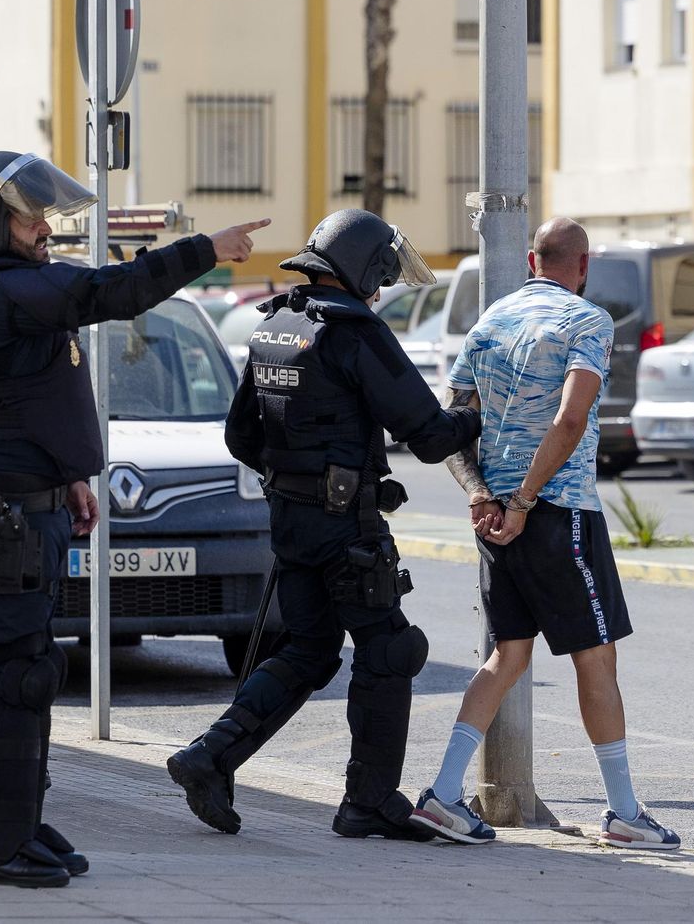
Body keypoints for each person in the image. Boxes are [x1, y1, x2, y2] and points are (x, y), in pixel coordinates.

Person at [0, 150, 269, 887]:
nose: (44, 228)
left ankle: (17, 821)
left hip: (27, 506)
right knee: (12, 675)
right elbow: (108, 292)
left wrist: (69, 476)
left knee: (27, 668)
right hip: (7, 520)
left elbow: (29, 402)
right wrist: (204, 251)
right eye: (32, 217)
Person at [167, 208, 480, 843]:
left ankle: (210, 756)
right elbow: (428, 435)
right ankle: (367, 802)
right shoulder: (353, 332)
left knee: (308, 652)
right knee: (392, 651)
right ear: (364, 269)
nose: (382, 291)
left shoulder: (277, 325)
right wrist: (475, 411)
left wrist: (301, 477)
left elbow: (241, 435)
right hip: (345, 532)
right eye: (381, 278)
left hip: (292, 523)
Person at [408, 217, 679, 851]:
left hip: (497, 517)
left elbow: (450, 428)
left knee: (508, 657)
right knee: (597, 657)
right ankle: (623, 814)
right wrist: (527, 500)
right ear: (582, 266)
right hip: (557, 513)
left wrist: (481, 494)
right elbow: (572, 418)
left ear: (533, 261)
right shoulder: (587, 322)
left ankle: (444, 794)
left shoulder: (489, 323)